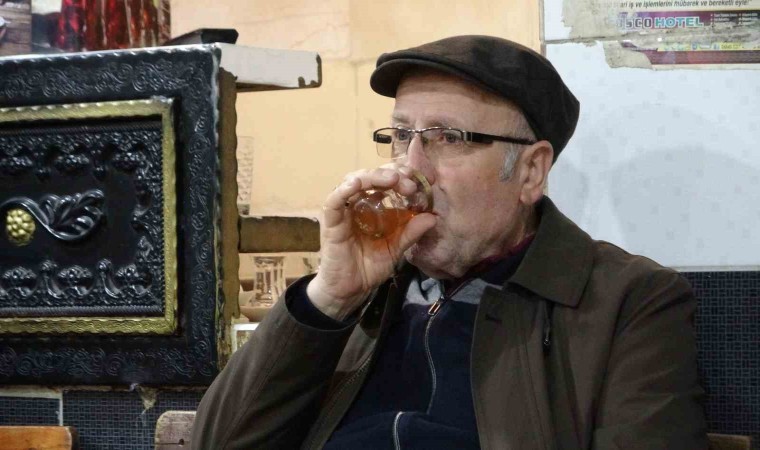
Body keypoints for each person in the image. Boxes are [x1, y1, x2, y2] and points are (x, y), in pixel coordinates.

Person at [191, 35, 707, 450]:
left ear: (530, 171)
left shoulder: (629, 302)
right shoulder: (363, 294)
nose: (411, 168)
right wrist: (327, 299)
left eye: (447, 137)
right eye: (401, 135)